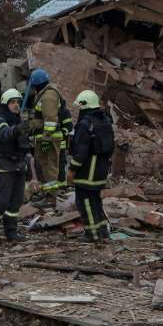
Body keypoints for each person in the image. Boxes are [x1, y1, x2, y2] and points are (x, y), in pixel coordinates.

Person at [0, 88, 31, 245]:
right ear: (6, 104)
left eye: (18, 102)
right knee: (0, 201)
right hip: (4, 165)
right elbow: (4, 134)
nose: (16, 105)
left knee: (15, 202)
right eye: (13, 102)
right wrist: (17, 130)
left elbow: (24, 144)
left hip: (18, 165)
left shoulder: (18, 121)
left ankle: (11, 232)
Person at [67, 90, 114, 244]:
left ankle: (92, 235)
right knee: (95, 201)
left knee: (85, 202)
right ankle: (102, 232)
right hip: (101, 169)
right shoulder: (104, 120)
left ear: (84, 105)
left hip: (87, 171)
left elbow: (80, 152)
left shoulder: (85, 124)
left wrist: (72, 170)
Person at [27, 69, 73, 201]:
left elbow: (51, 120)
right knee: (43, 166)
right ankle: (46, 193)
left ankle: (51, 197)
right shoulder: (44, 95)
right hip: (44, 138)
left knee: (50, 167)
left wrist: (46, 139)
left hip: (49, 138)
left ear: (36, 84)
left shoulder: (48, 97)